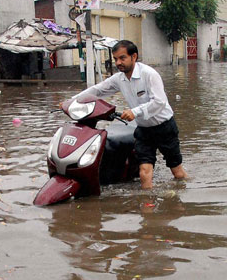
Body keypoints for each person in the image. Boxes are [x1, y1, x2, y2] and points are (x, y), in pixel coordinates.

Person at [72, 40, 187, 189]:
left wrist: (135, 111)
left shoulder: (149, 74)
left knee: (177, 172)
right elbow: (97, 90)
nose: (118, 62)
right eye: (115, 59)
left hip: (164, 127)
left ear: (134, 57)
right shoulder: (119, 78)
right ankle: (147, 207)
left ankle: (183, 198)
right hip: (144, 130)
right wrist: (72, 101)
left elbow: (160, 102)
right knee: (144, 172)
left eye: (122, 58)